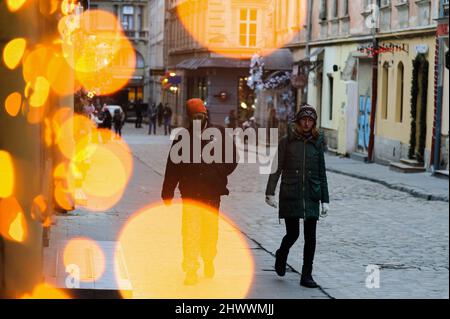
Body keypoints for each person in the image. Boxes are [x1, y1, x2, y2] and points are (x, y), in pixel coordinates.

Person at [161, 98, 238, 286]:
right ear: (190, 118)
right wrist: (167, 192)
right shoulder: (182, 137)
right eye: (194, 117)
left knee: (210, 230)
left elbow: (233, 157)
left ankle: (209, 259)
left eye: (201, 116)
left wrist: (219, 171)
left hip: (212, 192)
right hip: (190, 193)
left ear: (205, 115)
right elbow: (173, 166)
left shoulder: (219, 133)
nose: (198, 119)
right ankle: (190, 269)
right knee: (190, 232)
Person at [265, 104, 330, 289]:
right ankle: (281, 254)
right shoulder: (287, 141)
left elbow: (322, 173)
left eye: (311, 120)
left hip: (311, 193)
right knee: (293, 234)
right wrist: (270, 191)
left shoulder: (317, 143)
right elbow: (276, 167)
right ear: (299, 121)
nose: (307, 123)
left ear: (314, 123)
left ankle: (306, 274)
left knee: (311, 237)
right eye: (304, 120)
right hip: (291, 193)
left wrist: (325, 200)